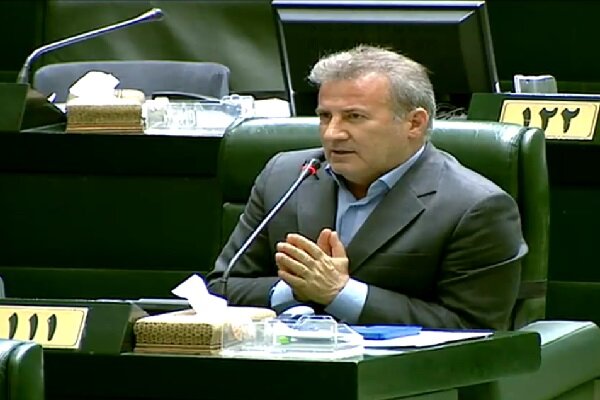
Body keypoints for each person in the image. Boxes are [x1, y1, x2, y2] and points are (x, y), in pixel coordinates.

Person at [207, 45, 526, 330]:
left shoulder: (475, 206)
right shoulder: (285, 176)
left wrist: (342, 294)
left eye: (354, 117)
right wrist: (296, 288)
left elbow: (473, 326)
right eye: (325, 116)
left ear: (414, 123)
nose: (332, 133)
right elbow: (223, 285)